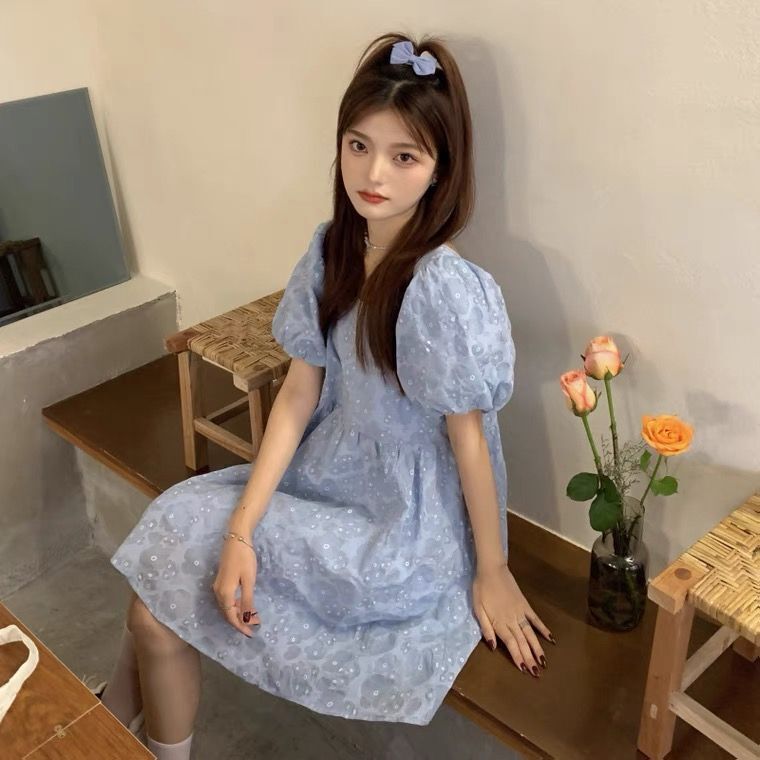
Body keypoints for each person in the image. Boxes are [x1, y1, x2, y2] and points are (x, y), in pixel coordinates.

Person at [101, 31, 555, 760]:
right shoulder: (332, 248)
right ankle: (97, 730)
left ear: (441, 169)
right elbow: (297, 393)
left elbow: (469, 438)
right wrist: (242, 530)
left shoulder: (441, 288)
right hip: (331, 471)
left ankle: (104, 728)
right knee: (167, 561)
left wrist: (493, 571)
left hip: (405, 521)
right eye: (358, 146)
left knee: (154, 607)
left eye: (404, 156)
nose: (372, 174)